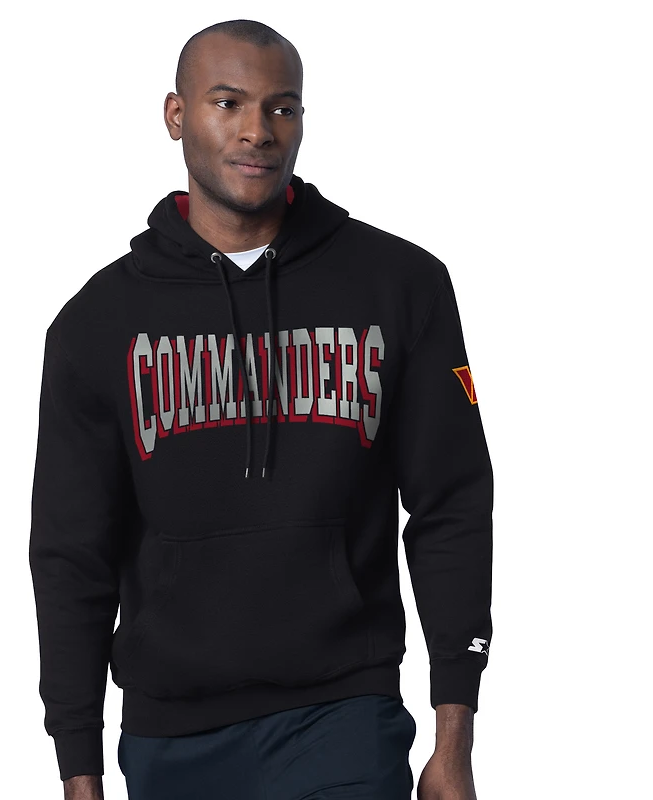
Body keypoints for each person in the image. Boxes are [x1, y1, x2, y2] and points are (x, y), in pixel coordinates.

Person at [29, 18, 493, 800]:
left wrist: (455, 737)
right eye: (228, 103)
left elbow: (452, 504)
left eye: (283, 107)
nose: (258, 131)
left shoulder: (399, 285)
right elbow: (70, 553)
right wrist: (79, 767)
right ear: (176, 115)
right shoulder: (97, 324)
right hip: (170, 731)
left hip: (344, 712)